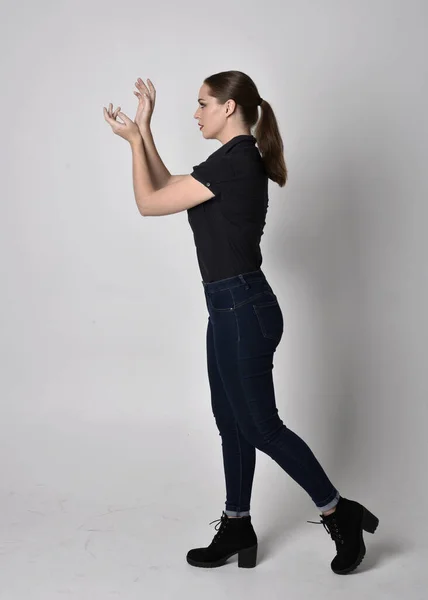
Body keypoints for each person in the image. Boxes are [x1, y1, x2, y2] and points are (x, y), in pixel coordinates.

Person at [103, 70, 379, 573]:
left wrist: (134, 143)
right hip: (228, 307)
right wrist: (140, 131)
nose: (196, 112)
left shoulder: (238, 162)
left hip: (242, 308)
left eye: (203, 103)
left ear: (229, 108)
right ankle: (237, 525)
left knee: (260, 427)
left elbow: (148, 202)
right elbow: (165, 185)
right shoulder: (229, 160)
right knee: (232, 424)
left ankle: (340, 512)